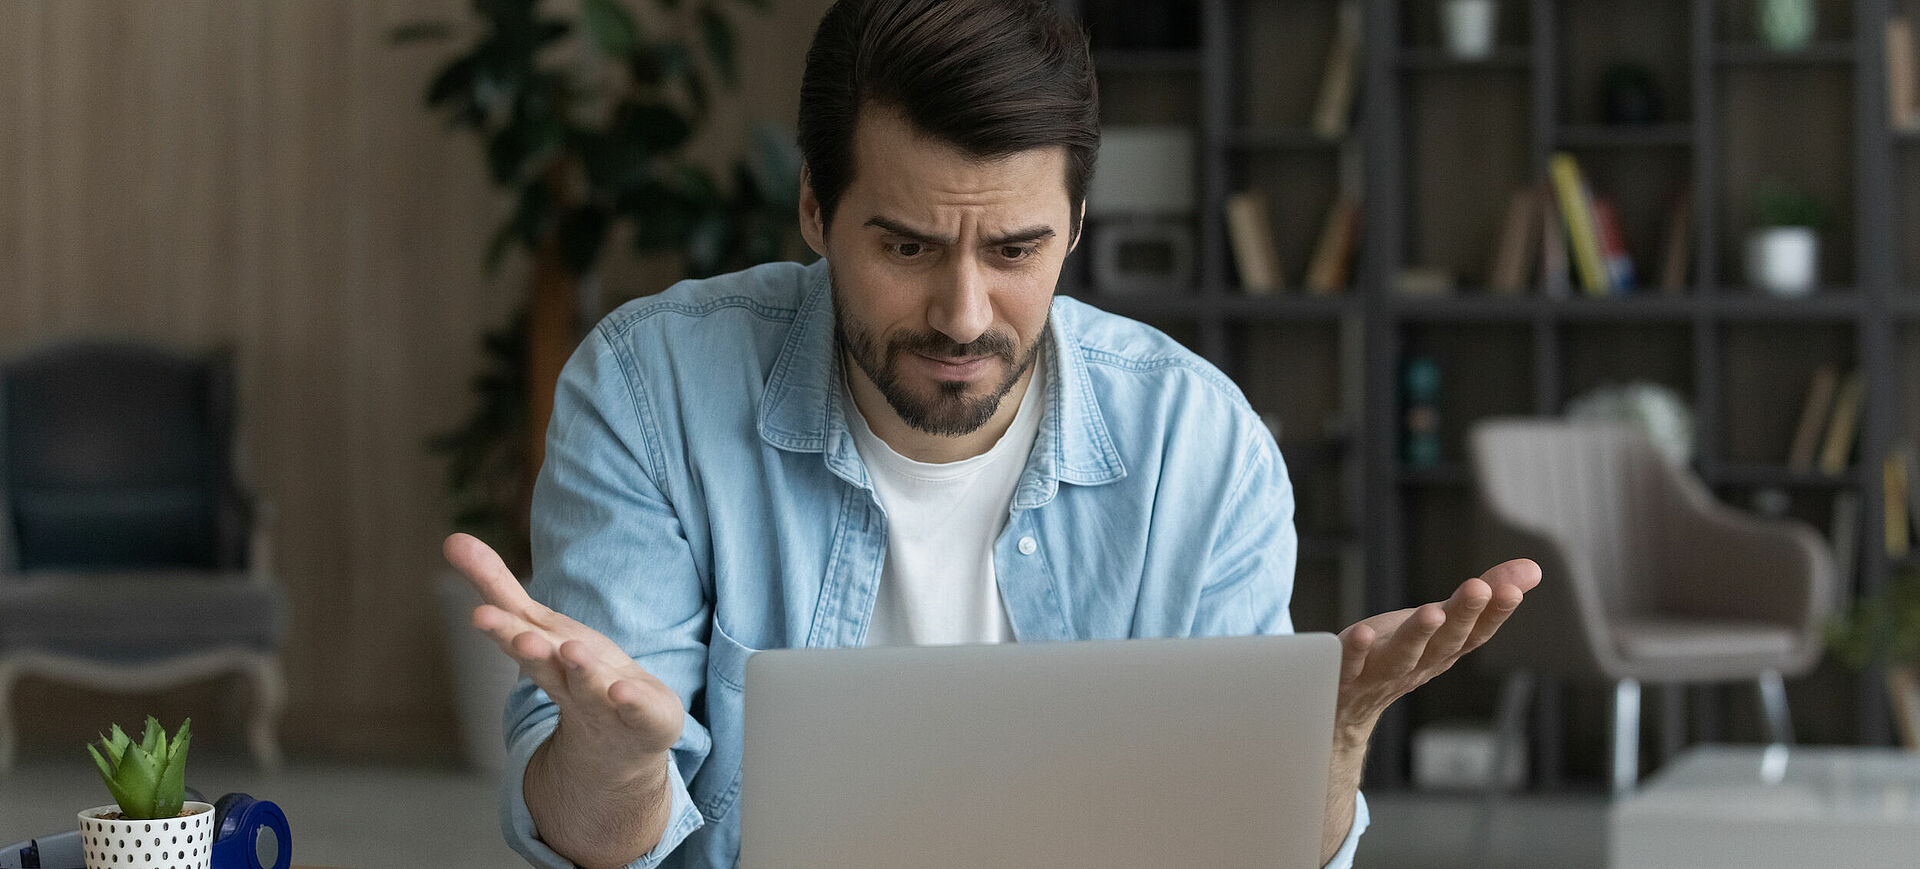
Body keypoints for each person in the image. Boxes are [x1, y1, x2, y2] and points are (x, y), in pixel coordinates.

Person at [442, 1, 1541, 867]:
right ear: (816, 210)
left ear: (1075, 225)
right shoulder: (652, 393)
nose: (964, 316)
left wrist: (1325, 753)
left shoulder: (1197, 444)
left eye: (1015, 251)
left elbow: (1248, 853)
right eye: (909, 247)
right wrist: (620, 762)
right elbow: (593, 842)